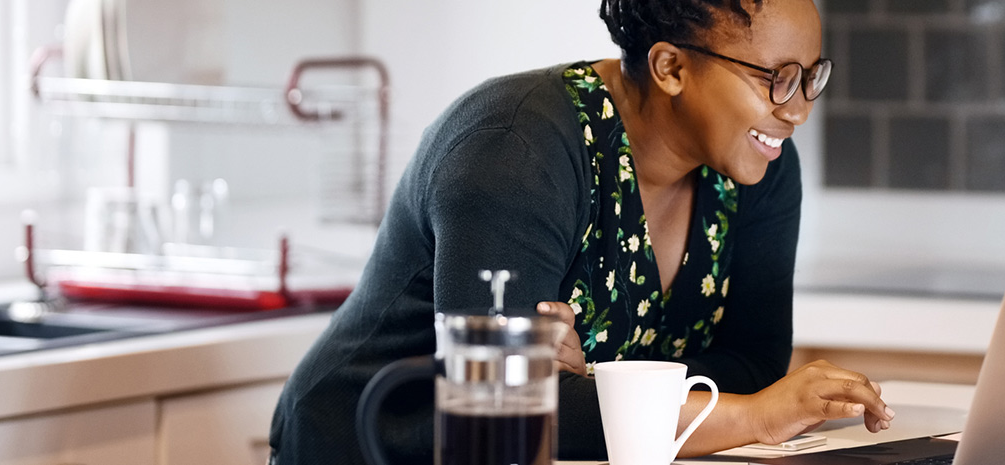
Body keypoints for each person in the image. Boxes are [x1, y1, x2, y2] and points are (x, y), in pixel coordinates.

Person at [267, 0, 895, 463]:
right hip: (369, 444)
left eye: (812, 75)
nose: (800, 108)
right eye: (776, 79)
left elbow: (753, 362)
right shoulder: (515, 150)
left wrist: (591, 379)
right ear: (671, 67)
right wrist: (753, 416)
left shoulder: (757, 165)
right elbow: (505, 412)